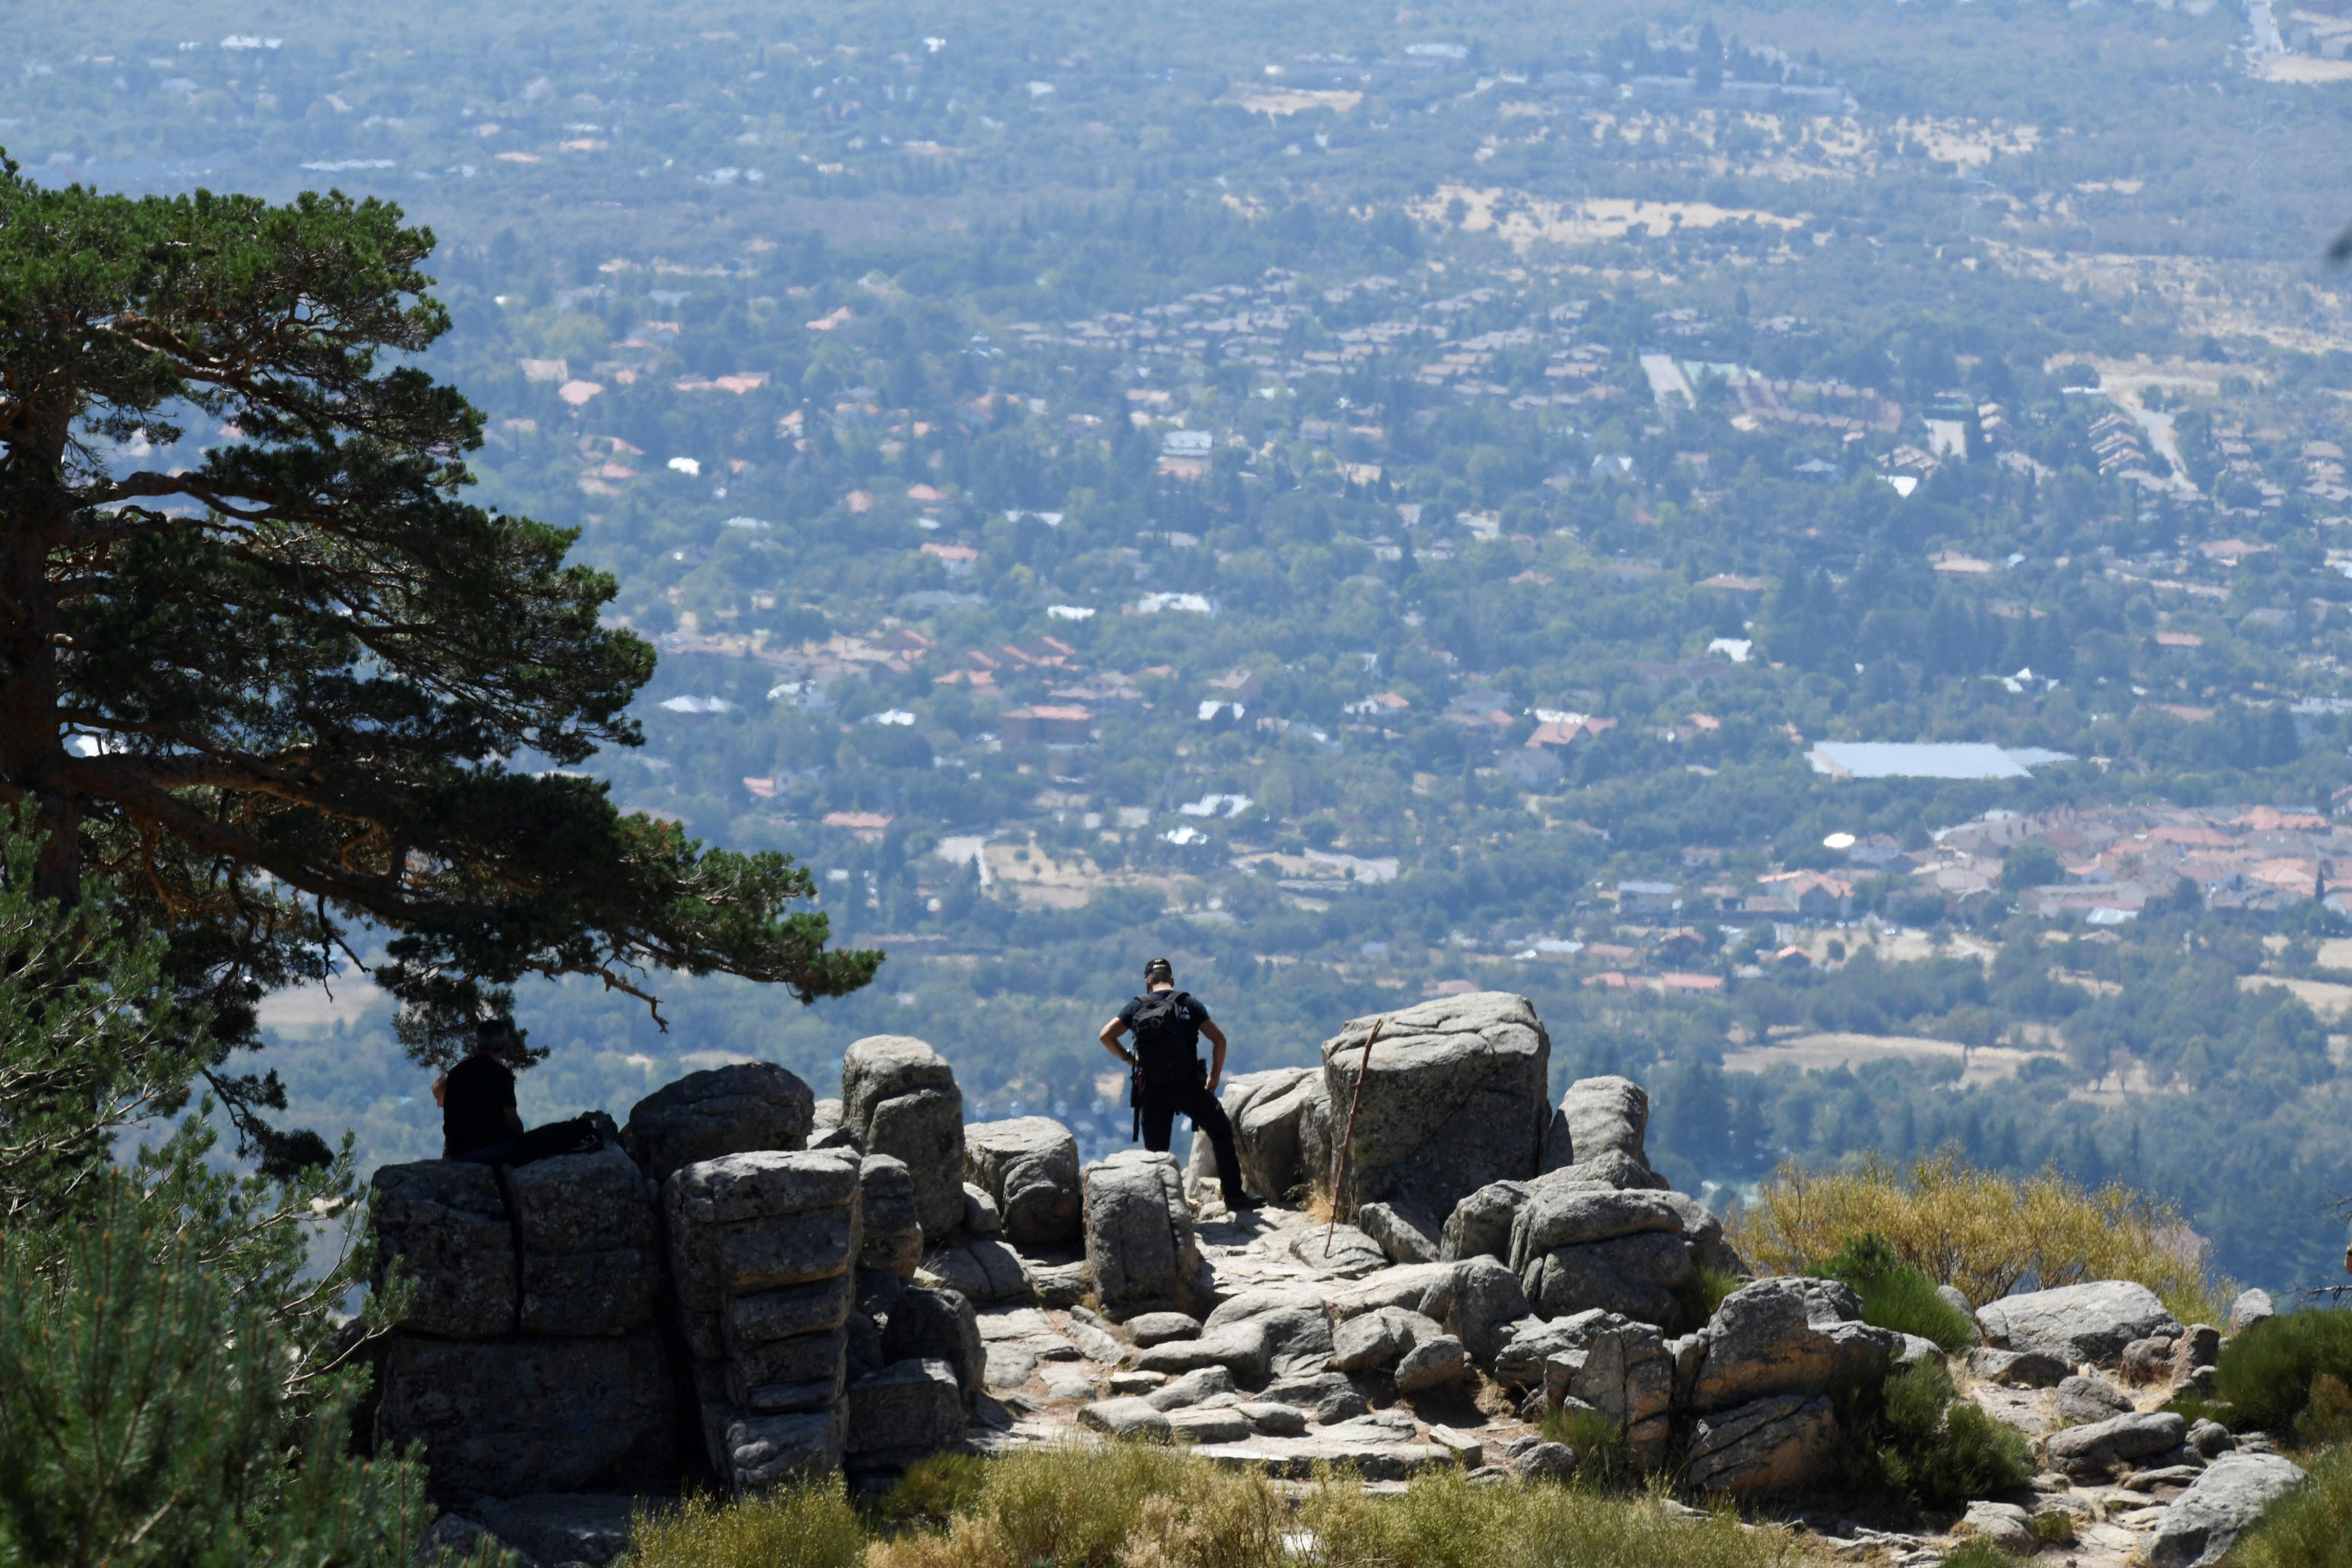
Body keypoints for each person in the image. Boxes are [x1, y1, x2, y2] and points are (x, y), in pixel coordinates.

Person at [1099, 957, 1260, 1212]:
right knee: (1220, 1130)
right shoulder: (1188, 1004)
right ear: (1171, 981)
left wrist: (1132, 1060)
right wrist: (1215, 1077)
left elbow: (1105, 1036)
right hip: (1188, 1087)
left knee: (1156, 1156)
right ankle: (1234, 1197)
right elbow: (1219, 1040)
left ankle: (1162, 1210)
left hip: (1152, 1090)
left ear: (1147, 983)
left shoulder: (1136, 1007)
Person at [432, 1019, 526, 1163]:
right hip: (490, 1150)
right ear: (503, 1046)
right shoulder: (501, 1075)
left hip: (457, 1151)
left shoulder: (456, 1073)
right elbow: (511, 1119)